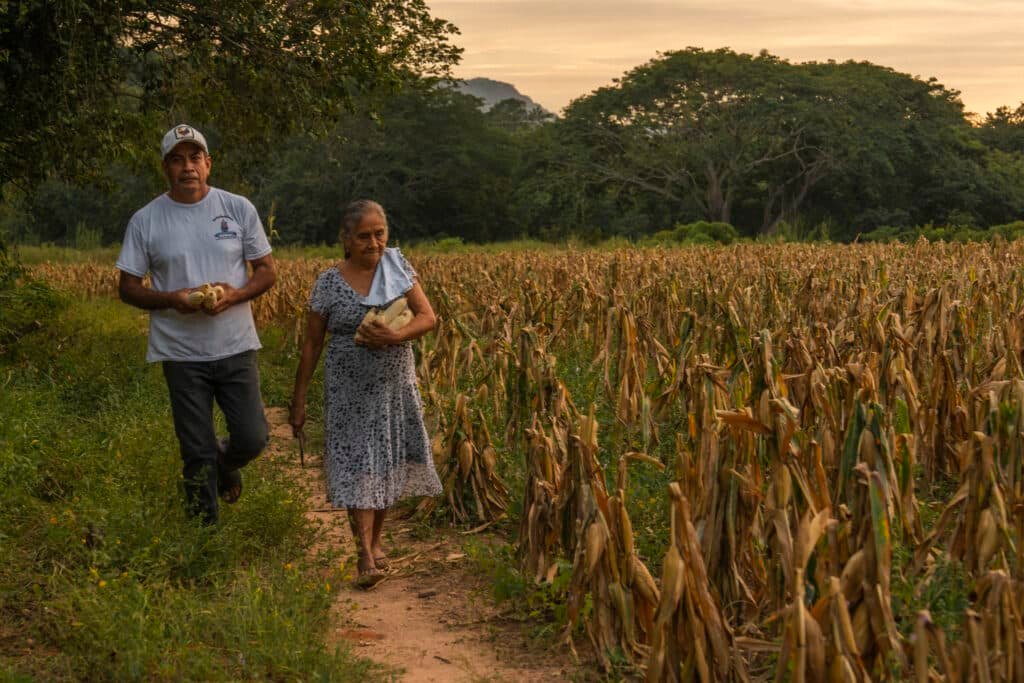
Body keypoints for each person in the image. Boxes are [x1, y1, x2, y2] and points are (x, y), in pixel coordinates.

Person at [116, 124, 277, 525]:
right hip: (180, 352)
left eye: (194, 158)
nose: (187, 167)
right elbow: (128, 288)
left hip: (235, 344)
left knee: (253, 437)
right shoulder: (146, 220)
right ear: (165, 168)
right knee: (195, 449)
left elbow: (267, 272)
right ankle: (203, 540)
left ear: (208, 163)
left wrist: (234, 295)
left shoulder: (238, 208)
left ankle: (225, 462)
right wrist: (173, 299)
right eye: (177, 159)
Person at [289, 199, 442, 587]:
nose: (373, 243)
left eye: (380, 234)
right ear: (346, 239)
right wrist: (300, 397)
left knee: (387, 462)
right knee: (358, 465)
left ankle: (375, 542)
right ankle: (363, 555)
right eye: (363, 236)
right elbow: (311, 343)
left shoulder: (398, 268)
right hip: (348, 390)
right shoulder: (328, 282)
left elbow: (428, 317)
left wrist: (395, 335)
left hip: (394, 387)